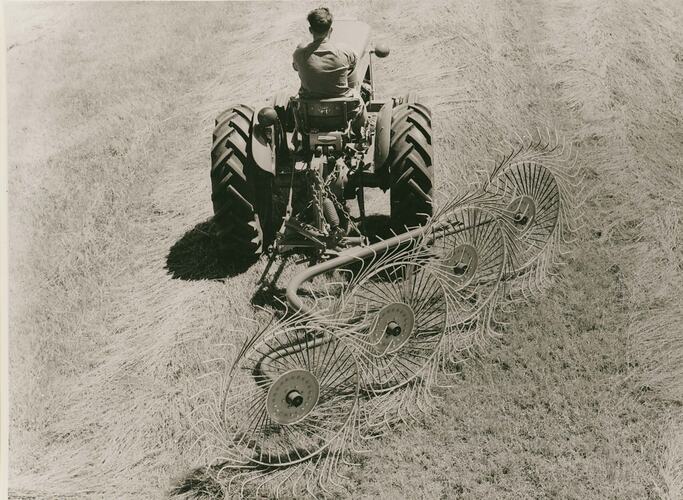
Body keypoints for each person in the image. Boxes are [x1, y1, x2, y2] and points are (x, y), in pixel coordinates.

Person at [292, 7, 366, 134]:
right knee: (359, 99)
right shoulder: (344, 51)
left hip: (309, 112)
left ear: (310, 30)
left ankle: (299, 134)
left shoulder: (300, 54)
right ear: (331, 30)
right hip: (343, 111)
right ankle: (360, 134)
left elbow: (295, 67)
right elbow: (353, 65)